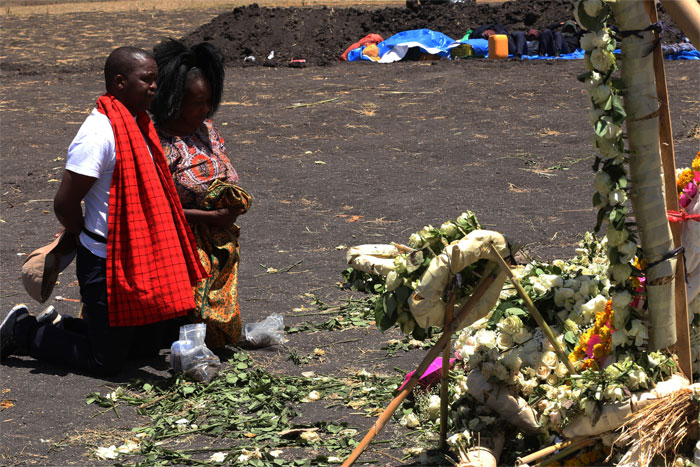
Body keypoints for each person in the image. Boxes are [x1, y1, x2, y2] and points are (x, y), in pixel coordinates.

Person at [0, 47, 207, 376]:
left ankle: (64, 326)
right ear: (120, 82)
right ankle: (23, 330)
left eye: (156, 80)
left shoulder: (140, 124)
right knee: (105, 362)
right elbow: (64, 203)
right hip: (105, 260)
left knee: (143, 350)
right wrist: (82, 234)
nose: (155, 86)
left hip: (140, 254)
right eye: (147, 80)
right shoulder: (98, 134)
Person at [150, 39, 252, 350]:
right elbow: (154, 210)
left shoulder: (206, 129)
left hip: (219, 243)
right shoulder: (157, 145)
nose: (206, 109)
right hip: (180, 249)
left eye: (209, 100)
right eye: (198, 102)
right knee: (190, 330)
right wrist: (208, 216)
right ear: (174, 101)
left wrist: (225, 213)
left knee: (217, 336)